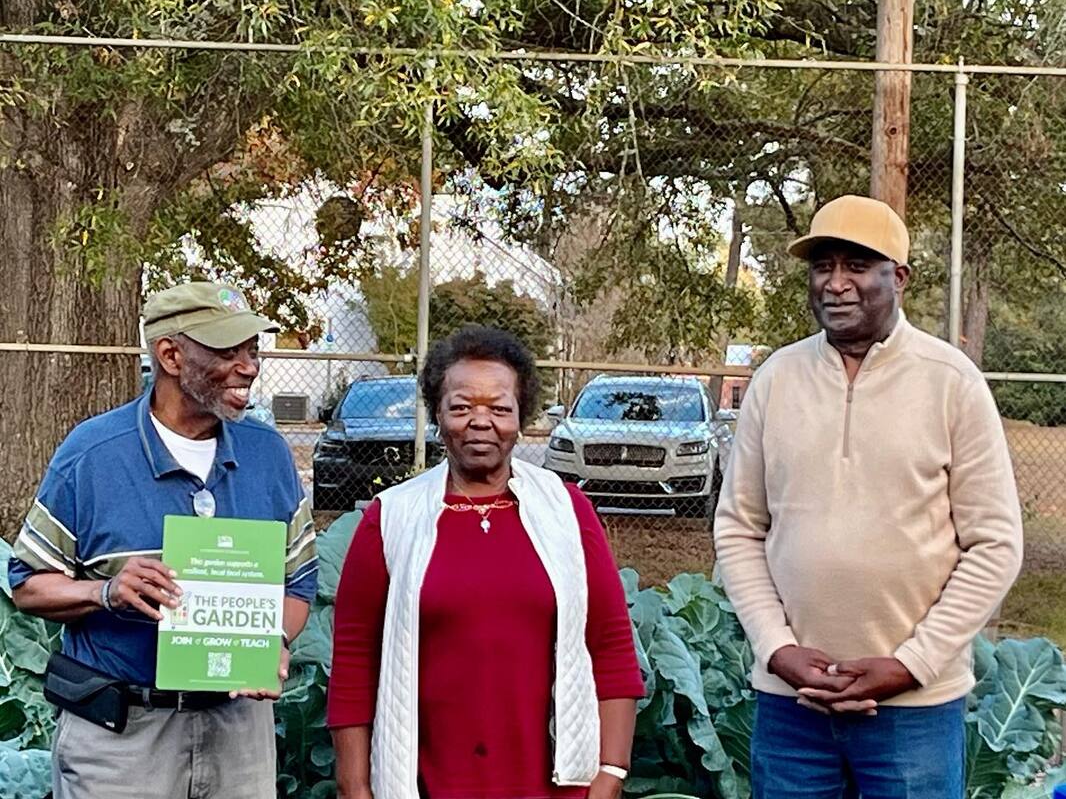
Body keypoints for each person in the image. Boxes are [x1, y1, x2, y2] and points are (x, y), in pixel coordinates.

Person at [713, 195, 1024, 799]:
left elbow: (995, 544)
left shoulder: (952, 383)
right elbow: (739, 529)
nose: (836, 284)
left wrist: (912, 663)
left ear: (899, 277)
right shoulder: (776, 379)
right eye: (822, 266)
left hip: (913, 711)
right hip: (792, 708)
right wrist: (777, 650)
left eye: (857, 266)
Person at [9, 282, 318, 799]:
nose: (249, 366)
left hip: (239, 733)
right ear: (170, 355)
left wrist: (274, 642)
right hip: (122, 738)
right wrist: (103, 592)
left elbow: (298, 584)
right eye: (227, 351)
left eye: (252, 350)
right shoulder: (93, 454)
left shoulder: (268, 454)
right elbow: (28, 587)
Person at [328, 325, 644, 799]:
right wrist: (355, 788)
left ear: (521, 417)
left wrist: (610, 774)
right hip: (428, 784)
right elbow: (354, 660)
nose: (481, 421)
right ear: (438, 413)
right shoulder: (391, 518)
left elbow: (612, 644)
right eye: (461, 407)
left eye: (499, 408)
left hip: (556, 785)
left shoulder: (566, 510)